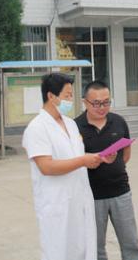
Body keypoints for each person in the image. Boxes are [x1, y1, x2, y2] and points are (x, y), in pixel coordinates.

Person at [22, 73, 102, 260]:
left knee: (83, 250)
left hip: (79, 199)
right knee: (59, 252)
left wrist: (96, 159)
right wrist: (83, 161)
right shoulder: (37, 128)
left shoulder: (70, 124)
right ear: (51, 96)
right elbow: (46, 167)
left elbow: (76, 156)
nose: (71, 100)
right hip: (57, 204)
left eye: (71, 95)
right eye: (67, 95)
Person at [75, 80, 138, 260]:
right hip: (92, 196)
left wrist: (114, 163)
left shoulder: (118, 121)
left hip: (121, 191)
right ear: (85, 102)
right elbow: (74, 161)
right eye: (96, 103)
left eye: (106, 102)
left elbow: (126, 153)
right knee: (96, 248)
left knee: (131, 244)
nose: (102, 107)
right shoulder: (75, 127)